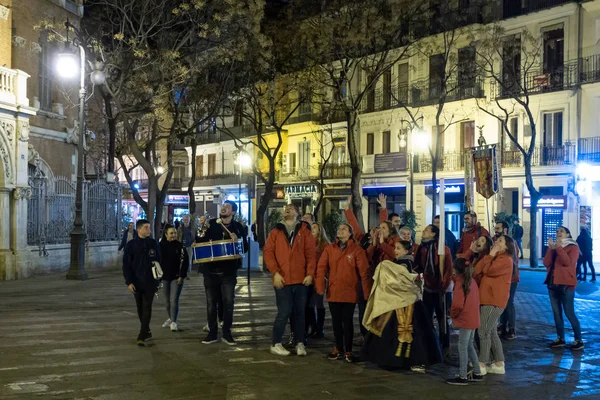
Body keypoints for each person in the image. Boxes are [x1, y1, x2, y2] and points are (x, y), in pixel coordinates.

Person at [361, 241, 442, 372]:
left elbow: (400, 280)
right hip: (399, 301)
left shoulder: (404, 264)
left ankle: (410, 360)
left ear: (406, 251)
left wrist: (385, 267)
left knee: (410, 331)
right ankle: (406, 360)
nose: (395, 251)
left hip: (406, 302)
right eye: (395, 248)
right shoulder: (401, 263)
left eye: (399, 248)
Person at [265, 204, 316, 357]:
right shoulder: (275, 231)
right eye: (285, 208)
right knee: (284, 311)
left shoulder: (304, 232)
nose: (287, 209)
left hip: (300, 279)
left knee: (300, 312)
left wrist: (310, 274)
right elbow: (268, 254)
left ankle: (300, 342)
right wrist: (275, 273)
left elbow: (311, 254)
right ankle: (276, 343)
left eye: (291, 208)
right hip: (282, 279)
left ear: (297, 213)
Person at [316, 223, 371, 362]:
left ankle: (348, 350)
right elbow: (321, 268)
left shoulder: (356, 250)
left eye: (344, 229)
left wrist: (366, 293)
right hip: (334, 290)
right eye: (339, 228)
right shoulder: (330, 248)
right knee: (336, 321)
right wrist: (320, 287)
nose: (340, 230)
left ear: (350, 234)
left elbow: (364, 272)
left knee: (347, 322)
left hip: (349, 291)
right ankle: (338, 348)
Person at [196, 200, 248, 346]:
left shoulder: (238, 227)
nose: (224, 208)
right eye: (223, 206)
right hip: (210, 271)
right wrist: (201, 227)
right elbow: (199, 240)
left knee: (228, 302)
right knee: (211, 304)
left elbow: (245, 248)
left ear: (233, 212)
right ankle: (212, 333)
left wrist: (238, 241)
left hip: (229, 272)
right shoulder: (211, 224)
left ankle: (227, 333)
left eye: (228, 207)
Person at [474, 234, 514, 375]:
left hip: (494, 300)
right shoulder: (494, 257)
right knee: (490, 332)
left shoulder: (505, 259)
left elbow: (489, 270)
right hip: (486, 298)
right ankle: (498, 363)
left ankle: (482, 363)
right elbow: (477, 270)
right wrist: (488, 255)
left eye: (500, 241)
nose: (496, 242)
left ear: (507, 246)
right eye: (497, 240)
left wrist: (490, 255)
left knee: (483, 331)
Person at [414, 225, 453, 357]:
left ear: (433, 234)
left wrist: (444, 284)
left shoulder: (443, 250)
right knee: (427, 317)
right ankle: (431, 343)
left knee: (442, 318)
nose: (423, 232)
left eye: (426, 230)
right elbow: (419, 265)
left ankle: (445, 344)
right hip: (428, 288)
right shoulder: (422, 248)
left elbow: (448, 269)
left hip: (440, 289)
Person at [544, 226, 584, 351]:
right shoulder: (556, 247)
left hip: (566, 285)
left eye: (561, 231)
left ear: (568, 234)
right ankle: (560, 338)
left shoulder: (573, 247)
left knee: (569, 312)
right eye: (557, 232)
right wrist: (551, 249)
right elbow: (546, 263)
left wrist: (559, 248)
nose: (558, 233)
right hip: (552, 283)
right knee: (556, 313)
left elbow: (567, 262)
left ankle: (578, 339)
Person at [122, 219, 161, 346]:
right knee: (140, 307)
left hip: (150, 282)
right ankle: (147, 330)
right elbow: (126, 265)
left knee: (147, 307)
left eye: (149, 227)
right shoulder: (131, 245)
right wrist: (129, 282)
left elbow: (159, 261)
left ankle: (142, 334)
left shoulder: (153, 243)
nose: (149, 230)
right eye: (146, 227)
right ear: (138, 230)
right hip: (136, 281)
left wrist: (157, 280)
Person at [446, 258, 483, 386]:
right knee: (469, 345)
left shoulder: (460, 283)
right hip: (473, 317)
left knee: (462, 346)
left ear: (455, 269)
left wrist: (451, 315)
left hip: (465, 319)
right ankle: (477, 372)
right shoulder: (471, 281)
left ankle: (462, 376)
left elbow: (457, 304)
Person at [159, 224, 188, 332]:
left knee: (174, 299)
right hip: (164, 277)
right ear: (166, 234)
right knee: (167, 301)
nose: (173, 235)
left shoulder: (180, 246)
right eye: (171, 233)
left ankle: (174, 322)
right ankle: (170, 318)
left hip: (176, 277)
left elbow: (185, 262)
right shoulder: (160, 246)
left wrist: (182, 275)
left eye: (175, 233)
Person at [494, 221, 520, 341]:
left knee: (509, 302)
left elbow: (513, 260)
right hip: (501, 277)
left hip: (511, 277)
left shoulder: (510, 243)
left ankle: (511, 327)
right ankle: (502, 325)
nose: (496, 230)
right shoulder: (497, 242)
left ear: (505, 230)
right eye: (495, 228)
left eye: (498, 228)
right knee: (501, 302)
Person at [308, 222, 329, 338]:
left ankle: (319, 328)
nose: (312, 229)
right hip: (309, 277)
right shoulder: (308, 243)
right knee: (310, 303)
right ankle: (313, 327)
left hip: (319, 277)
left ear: (320, 230)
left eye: (314, 227)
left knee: (318, 302)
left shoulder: (324, 245)